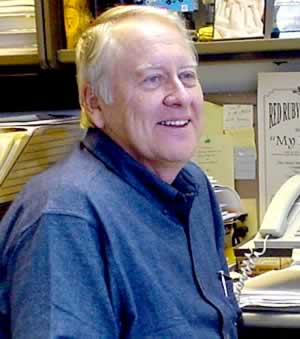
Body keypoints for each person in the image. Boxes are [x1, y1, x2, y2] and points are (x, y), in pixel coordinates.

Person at [0, 5, 241, 338]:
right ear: (94, 103)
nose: (180, 96)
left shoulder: (194, 186)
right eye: (152, 79)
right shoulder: (65, 217)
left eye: (187, 76)